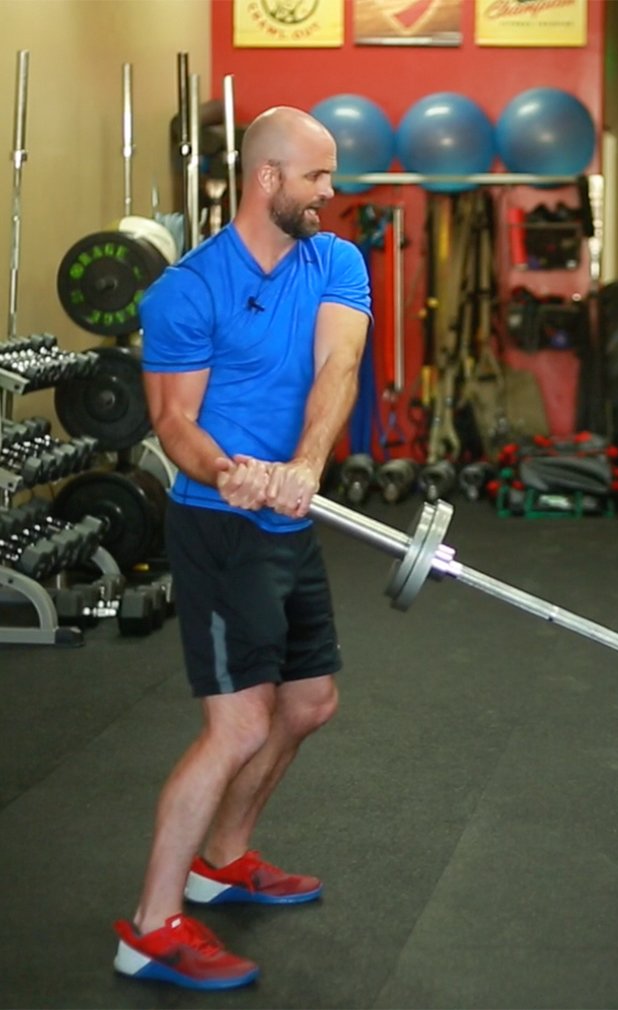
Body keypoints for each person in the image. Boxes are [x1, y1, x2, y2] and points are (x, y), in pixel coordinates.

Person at [111, 106, 372, 991]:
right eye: (318, 179)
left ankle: (220, 859)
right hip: (219, 525)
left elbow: (337, 368)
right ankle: (149, 925)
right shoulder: (186, 288)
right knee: (239, 724)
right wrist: (228, 471)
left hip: (288, 519)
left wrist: (304, 465)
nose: (331, 195)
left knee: (307, 701)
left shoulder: (335, 261)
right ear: (269, 180)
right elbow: (171, 421)